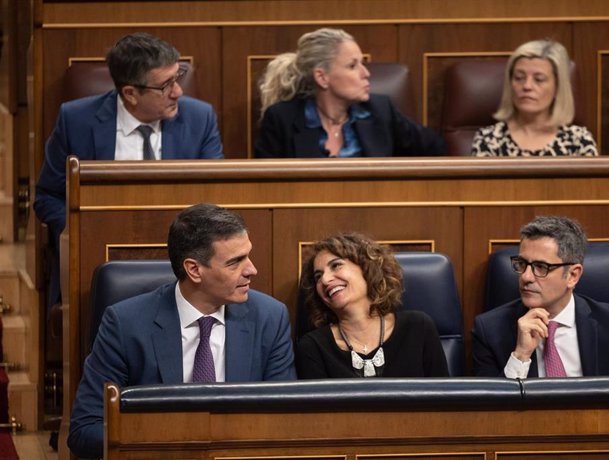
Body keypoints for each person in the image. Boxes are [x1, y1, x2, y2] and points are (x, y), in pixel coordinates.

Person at [67, 203, 296, 459]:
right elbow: (85, 430)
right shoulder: (125, 324)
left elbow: (283, 424)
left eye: (248, 256)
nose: (252, 270)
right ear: (194, 270)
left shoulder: (270, 318)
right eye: (235, 262)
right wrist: (173, 442)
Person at [34, 32, 224, 307]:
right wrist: (84, 234)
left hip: (184, 257)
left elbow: (215, 196)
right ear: (130, 93)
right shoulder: (76, 120)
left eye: (178, 76)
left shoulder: (200, 118)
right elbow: (48, 196)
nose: (178, 91)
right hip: (101, 257)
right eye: (165, 85)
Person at [472, 215, 609, 378]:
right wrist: (520, 355)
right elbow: (488, 413)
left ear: (573, 275)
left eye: (541, 267)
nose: (526, 277)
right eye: (522, 264)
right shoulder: (490, 331)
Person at [254, 28, 446, 158]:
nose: (366, 73)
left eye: (362, 64)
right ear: (322, 77)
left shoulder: (380, 111)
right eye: (353, 66)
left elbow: (437, 150)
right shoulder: (282, 120)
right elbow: (266, 189)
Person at [296, 232, 449, 378]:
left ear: (367, 268)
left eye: (336, 265)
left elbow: (444, 399)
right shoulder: (313, 347)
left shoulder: (418, 327)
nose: (325, 280)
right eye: (318, 276)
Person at [471, 40, 598, 157]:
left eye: (539, 79)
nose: (527, 86)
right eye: (519, 78)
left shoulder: (579, 141)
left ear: (558, 88)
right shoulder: (488, 139)